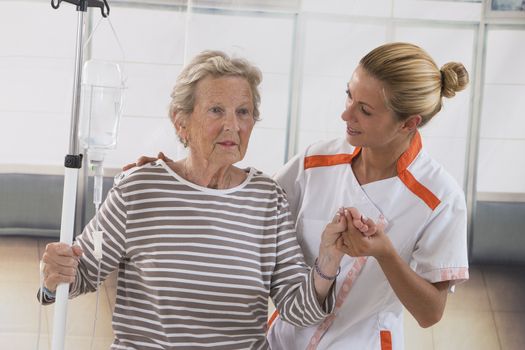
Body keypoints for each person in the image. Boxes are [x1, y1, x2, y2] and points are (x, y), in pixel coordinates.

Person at [131, 42, 470, 350]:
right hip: (283, 339)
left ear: (408, 124)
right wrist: (177, 176)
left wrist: (385, 255)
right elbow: (244, 208)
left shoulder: (440, 199)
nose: (346, 114)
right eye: (348, 96)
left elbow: (430, 313)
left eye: (365, 110)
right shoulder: (317, 161)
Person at [38, 50, 348, 350]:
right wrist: (53, 275)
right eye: (216, 110)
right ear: (180, 121)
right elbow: (81, 272)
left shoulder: (268, 200)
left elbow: (299, 309)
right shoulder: (137, 190)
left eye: (243, 111)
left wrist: (329, 260)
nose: (233, 125)